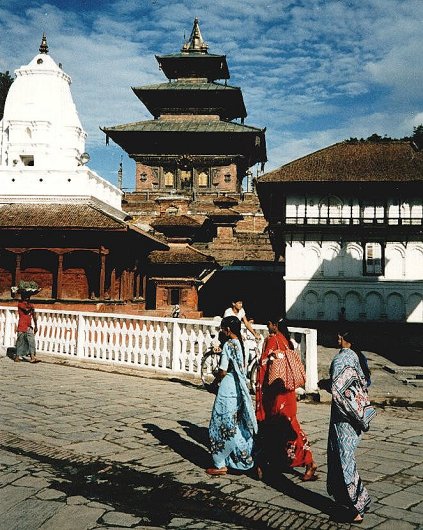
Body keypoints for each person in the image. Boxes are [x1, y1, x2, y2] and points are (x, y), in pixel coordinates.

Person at [318, 330, 375, 523]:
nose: (337, 338)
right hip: (355, 417)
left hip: (343, 417)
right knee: (345, 457)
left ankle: (355, 508)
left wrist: (325, 384)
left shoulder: (340, 359)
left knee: (343, 460)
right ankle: (355, 500)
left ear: (346, 340)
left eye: (340, 336)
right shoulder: (357, 358)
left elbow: (338, 389)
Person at [255, 318, 317, 481]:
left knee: (284, 428)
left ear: (274, 325)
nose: (267, 327)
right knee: (286, 426)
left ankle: (309, 461)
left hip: (276, 393)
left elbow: (264, 367)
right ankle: (281, 461)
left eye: (268, 324)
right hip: (287, 392)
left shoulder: (272, 340)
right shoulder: (286, 341)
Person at [206, 315, 257, 475]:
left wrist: (213, 383)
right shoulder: (242, 344)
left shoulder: (228, 345)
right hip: (239, 389)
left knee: (219, 425)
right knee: (235, 425)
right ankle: (243, 457)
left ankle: (221, 463)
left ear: (227, 330)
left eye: (222, 328)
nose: (221, 330)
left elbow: (222, 370)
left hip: (227, 388)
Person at [15, 291, 38, 363]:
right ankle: (17, 357)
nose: (27, 298)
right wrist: (32, 307)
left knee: (31, 341)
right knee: (20, 341)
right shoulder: (20, 304)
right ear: (23, 297)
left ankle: (32, 357)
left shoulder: (31, 305)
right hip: (22, 325)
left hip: (29, 326)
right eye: (26, 297)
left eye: (28, 297)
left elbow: (34, 316)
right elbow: (26, 310)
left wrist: (36, 326)